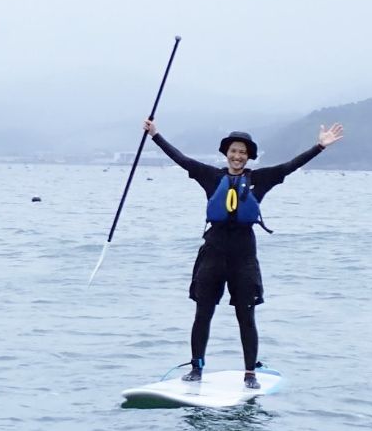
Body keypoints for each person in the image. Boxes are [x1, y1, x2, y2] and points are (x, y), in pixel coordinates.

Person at [143, 117, 344, 387]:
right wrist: (155, 135)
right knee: (203, 313)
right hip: (213, 251)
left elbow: (290, 165)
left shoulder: (260, 179)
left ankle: (250, 373)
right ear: (226, 153)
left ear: (248, 156)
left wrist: (319, 146)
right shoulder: (211, 176)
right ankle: (196, 368)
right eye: (233, 151)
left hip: (244, 255)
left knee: (246, 316)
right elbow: (182, 159)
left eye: (242, 152)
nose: (237, 156)